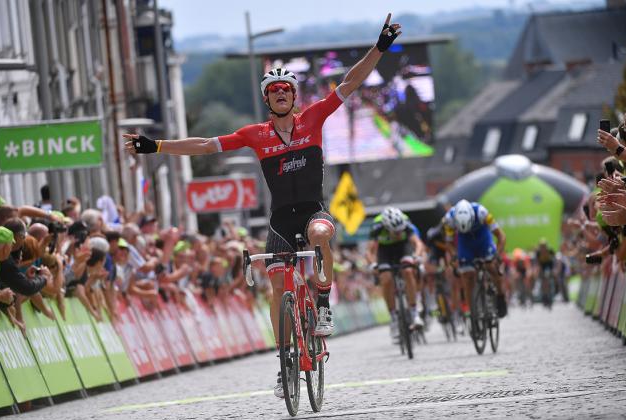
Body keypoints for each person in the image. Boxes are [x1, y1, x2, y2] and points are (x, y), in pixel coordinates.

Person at [124, 13, 402, 398]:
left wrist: (380, 47)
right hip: (279, 222)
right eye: (275, 91)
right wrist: (155, 146)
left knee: (322, 232)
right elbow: (205, 145)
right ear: (268, 99)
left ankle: (322, 304)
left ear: (294, 95)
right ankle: (285, 357)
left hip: (311, 211)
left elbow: (350, 83)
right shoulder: (255, 135)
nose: (282, 94)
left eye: (287, 88)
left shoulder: (313, 119)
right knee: (277, 286)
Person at [366, 207, 426, 341]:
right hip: (385, 251)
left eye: (400, 230)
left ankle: (414, 312)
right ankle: (393, 318)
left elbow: (418, 243)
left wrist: (416, 256)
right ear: (386, 228)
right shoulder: (377, 226)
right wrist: (372, 264)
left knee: (408, 271)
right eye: (395, 231)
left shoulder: (405, 222)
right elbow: (369, 251)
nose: (399, 233)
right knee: (386, 279)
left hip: (403, 248)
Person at [443, 199, 507, 318]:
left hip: (483, 239)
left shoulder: (482, 212)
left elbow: (501, 236)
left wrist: (497, 255)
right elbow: (449, 243)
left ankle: (500, 296)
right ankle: (472, 310)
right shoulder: (449, 219)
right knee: (467, 276)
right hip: (465, 243)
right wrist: (454, 256)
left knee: (492, 267)